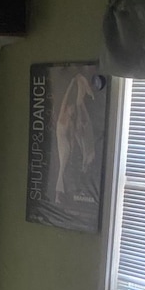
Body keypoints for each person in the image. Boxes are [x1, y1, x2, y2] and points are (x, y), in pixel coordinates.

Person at [54, 72, 95, 205]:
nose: (72, 111)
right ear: (67, 108)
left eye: (73, 109)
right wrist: (72, 84)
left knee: (63, 168)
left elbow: (72, 137)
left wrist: (72, 148)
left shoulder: (71, 122)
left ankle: (60, 194)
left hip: (66, 146)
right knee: (62, 168)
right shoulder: (62, 118)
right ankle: (58, 194)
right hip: (62, 145)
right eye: (70, 108)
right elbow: (65, 99)